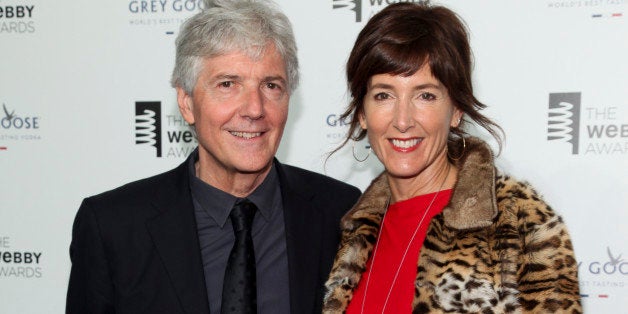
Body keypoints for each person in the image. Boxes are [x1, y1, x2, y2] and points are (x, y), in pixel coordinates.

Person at [65, 1, 361, 313]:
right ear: (187, 102)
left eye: (271, 85)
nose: (254, 109)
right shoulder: (113, 227)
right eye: (228, 84)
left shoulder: (340, 213)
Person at [323, 3, 581, 313]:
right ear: (362, 112)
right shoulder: (352, 231)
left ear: (456, 109)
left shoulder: (521, 224)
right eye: (384, 95)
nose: (403, 120)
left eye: (425, 95)